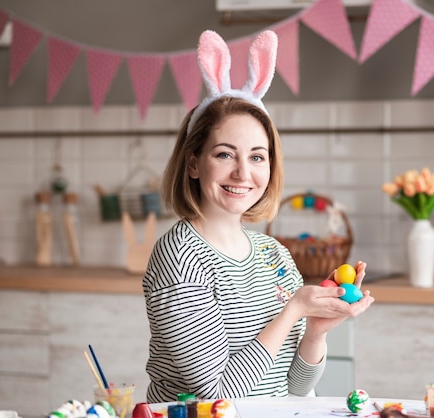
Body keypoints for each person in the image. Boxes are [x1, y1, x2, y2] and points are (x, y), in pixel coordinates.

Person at [142, 30, 374, 403]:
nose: (242, 174)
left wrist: (315, 331)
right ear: (193, 163)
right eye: (224, 154)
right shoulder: (180, 257)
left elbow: (295, 389)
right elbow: (215, 394)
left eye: (256, 157)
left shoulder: (273, 255)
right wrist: (292, 309)